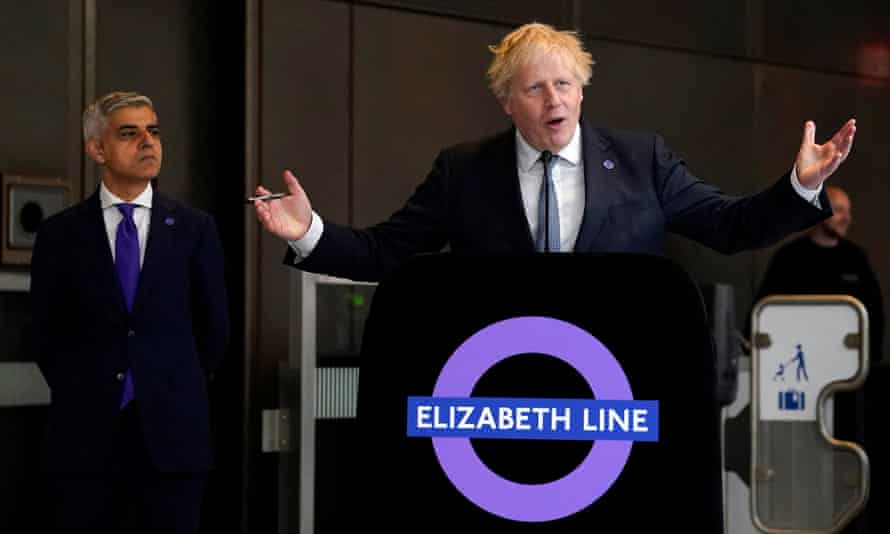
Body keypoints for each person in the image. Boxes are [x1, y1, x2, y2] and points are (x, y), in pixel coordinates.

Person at [253, 22, 854, 283]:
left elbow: (731, 226)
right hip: (498, 389)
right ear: (506, 102)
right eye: (534, 87)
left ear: (583, 88)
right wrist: (309, 232)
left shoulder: (642, 160)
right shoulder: (463, 170)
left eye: (564, 84)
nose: (553, 99)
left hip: (616, 390)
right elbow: (388, 252)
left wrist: (799, 187)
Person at [30, 91, 230, 534]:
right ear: (97, 149)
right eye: (129, 133)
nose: (148, 142)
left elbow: (214, 331)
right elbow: (45, 334)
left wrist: (170, 385)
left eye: (153, 131)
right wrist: (87, 388)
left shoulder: (195, 228)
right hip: (85, 442)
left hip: (174, 440)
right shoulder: (60, 234)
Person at [755, 185, 884, 361]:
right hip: (801, 358)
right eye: (839, 210)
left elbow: (875, 314)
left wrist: (872, 362)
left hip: (848, 362)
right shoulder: (790, 257)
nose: (847, 218)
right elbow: (765, 309)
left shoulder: (856, 258)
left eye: (848, 211)